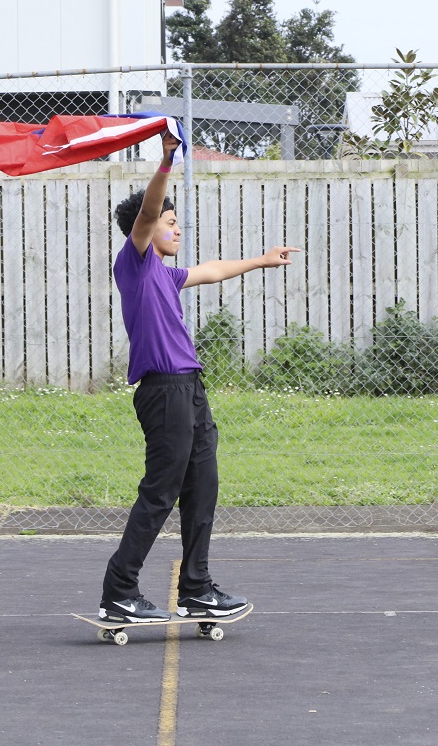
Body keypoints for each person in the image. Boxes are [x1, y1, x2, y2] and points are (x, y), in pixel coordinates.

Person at [100, 129, 300, 623]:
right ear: (147, 231)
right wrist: (166, 162)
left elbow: (210, 270)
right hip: (163, 392)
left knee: (202, 486)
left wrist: (260, 260)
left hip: (190, 390)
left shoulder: (166, 274)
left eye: (176, 223)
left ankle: (197, 589)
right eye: (172, 223)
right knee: (161, 493)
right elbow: (147, 213)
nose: (176, 229)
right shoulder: (136, 262)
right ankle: (119, 592)